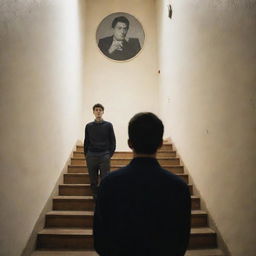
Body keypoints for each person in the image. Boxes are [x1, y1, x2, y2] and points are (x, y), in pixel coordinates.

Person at [93, 112, 191, 256]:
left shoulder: (108, 184)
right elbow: (181, 242)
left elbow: (100, 241)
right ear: (160, 144)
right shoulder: (179, 187)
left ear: (129, 143)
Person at [83, 103, 116, 201]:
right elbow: (86, 141)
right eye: (96, 110)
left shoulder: (108, 125)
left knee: (105, 178)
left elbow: (112, 141)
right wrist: (87, 154)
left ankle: (103, 196)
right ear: (93, 112)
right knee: (93, 180)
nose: (98, 111)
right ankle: (95, 197)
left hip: (104, 155)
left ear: (103, 112)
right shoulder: (88, 126)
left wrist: (109, 154)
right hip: (91, 155)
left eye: (100, 110)